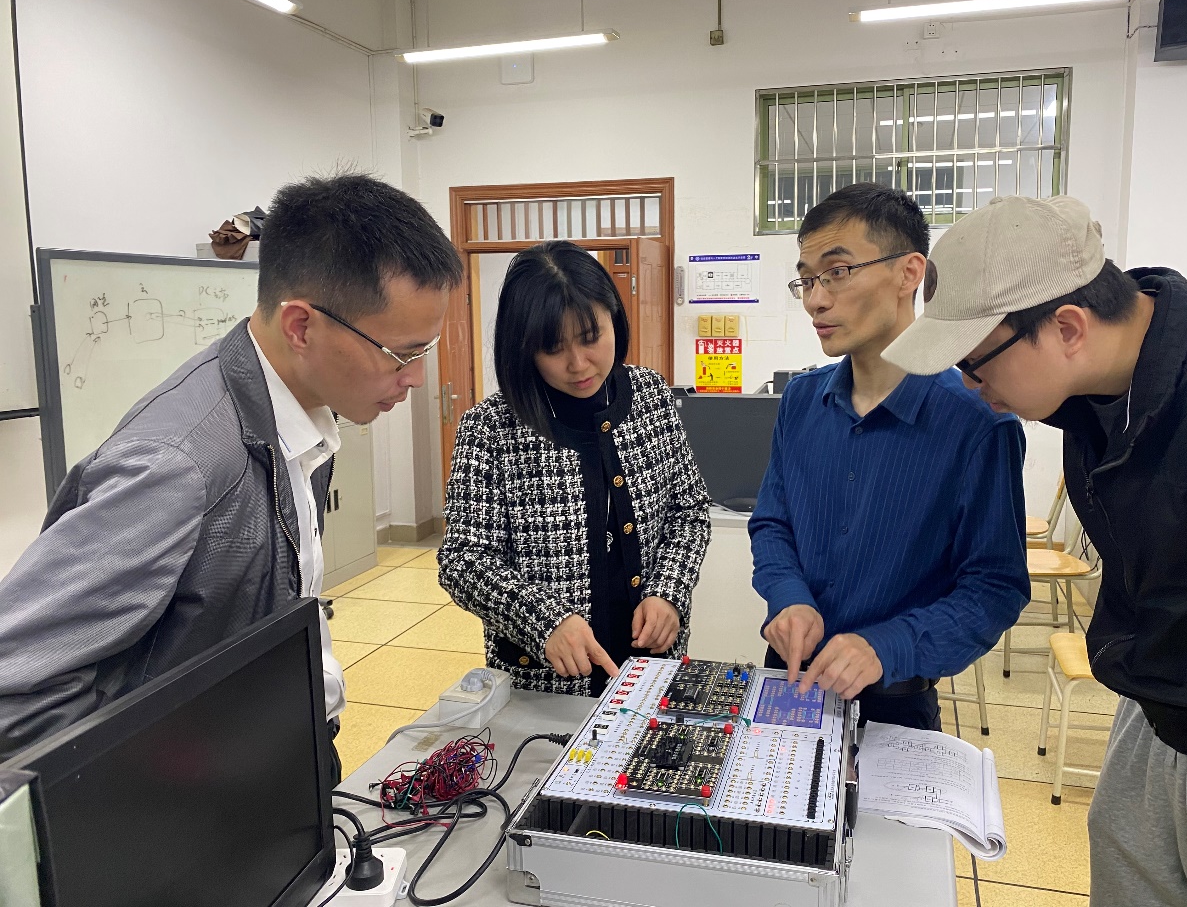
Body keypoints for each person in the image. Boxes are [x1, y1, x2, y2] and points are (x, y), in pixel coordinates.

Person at [0, 173, 462, 780]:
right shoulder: (176, 466)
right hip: (201, 795)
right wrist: (160, 788)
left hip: (279, 754)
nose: (416, 378)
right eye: (403, 354)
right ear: (301, 327)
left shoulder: (302, 412)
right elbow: (16, 688)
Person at [882, 194, 1187, 906]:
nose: (971, 388)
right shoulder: (1096, 388)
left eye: (975, 364)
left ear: (1066, 327)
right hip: (1156, 702)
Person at [750, 183, 1030, 730]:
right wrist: (787, 597)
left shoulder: (977, 422)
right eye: (807, 279)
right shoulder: (802, 402)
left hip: (895, 699)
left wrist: (886, 645)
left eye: (837, 272)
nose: (816, 300)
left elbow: (994, 588)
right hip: (789, 677)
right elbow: (772, 523)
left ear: (909, 273)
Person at [439, 241, 710, 696]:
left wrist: (668, 591)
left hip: (653, 664)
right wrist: (544, 620)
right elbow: (463, 560)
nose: (579, 364)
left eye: (590, 337)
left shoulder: (652, 396)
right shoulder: (491, 428)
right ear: (523, 349)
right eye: (552, 348)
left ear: (614, 320)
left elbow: (689, 511)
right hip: (547, 681)